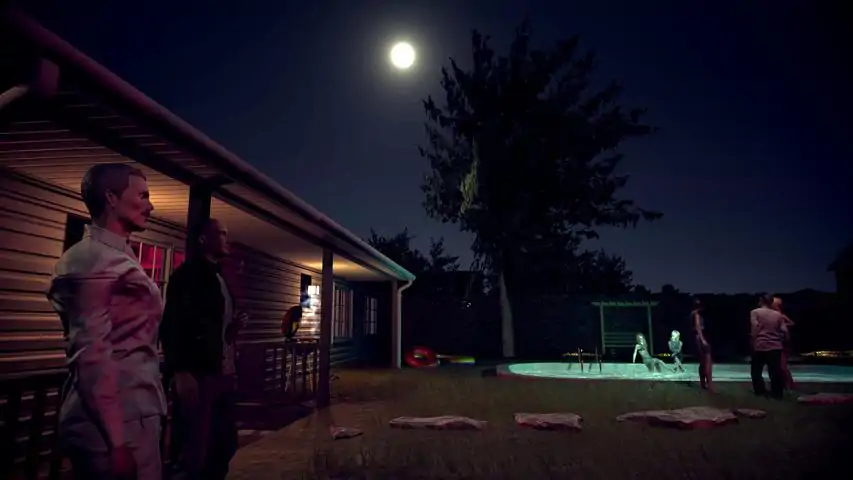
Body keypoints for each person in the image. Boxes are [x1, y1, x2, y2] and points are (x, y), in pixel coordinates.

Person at [47, 164, 165, 479]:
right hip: (114, 424)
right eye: (142, 196)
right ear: (112, 198)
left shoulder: (118, 256)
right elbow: (91, 355)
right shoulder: (90, 261)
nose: (150, 206)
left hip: (135, 413)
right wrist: (117, 443)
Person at [160, 218, 248, 480]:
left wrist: (233, 328)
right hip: (201, 374)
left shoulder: (220, 278)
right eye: (221, 234)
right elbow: (172, 323)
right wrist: (180, 371)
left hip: (223, 373)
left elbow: (214, 327)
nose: (226, 239)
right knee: (195, 449)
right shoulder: (188, 276)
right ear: (203, 239)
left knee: (225, 443)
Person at [750, 294, 789, 398]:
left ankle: (760, 391)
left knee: (756, 370)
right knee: (775, 371)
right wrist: (786, 342)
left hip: (761, 344)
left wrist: (753, 341)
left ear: (761, 301)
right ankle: (777, 394)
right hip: (775, 346)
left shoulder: (755, 312)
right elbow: (784, 330)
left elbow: (755, 327)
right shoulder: (778, 315)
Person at [772, 296, 796, 390]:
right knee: (779, 365)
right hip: (779, 341)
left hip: (782, 343)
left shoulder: (779, 315)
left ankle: (789, 385)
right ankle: (785, 385)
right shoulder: (777, 314)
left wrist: (782, 326)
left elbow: (791, 323)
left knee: (782, 366)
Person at [692, 298, 713, 390]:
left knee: (703, 361)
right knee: (707, 360)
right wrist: (703, 340)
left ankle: (703, 383)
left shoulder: (693, 314)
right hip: (699, 338)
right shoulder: (696, 314)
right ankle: (708, 383)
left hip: (697, 338)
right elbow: (698, 327)